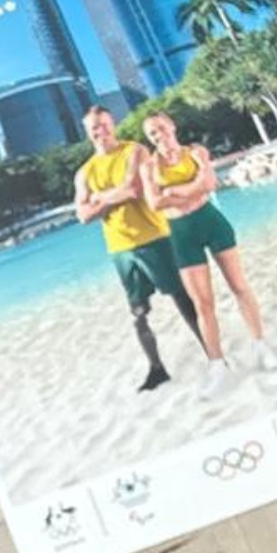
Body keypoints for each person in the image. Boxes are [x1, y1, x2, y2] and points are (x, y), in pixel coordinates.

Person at [72, 104, 205, 393]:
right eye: (95, 127)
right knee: (138, 312)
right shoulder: (84, 173)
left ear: (113, 124)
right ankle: (157, 369)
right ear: (88, 132)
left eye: (105, 124)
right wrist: (109, 197)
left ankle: (212, 351)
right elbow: (82, 215)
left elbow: (133, 190)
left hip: (155, 237)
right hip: (120, 249)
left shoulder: (135, 152)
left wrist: (99, 198)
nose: (101, 130)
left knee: (182, 298)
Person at [142, 111, 277, 390]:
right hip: (181, 234)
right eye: (152, 134)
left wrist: (173, 193)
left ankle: (260, 345)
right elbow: (155, 204)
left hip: (211, 222)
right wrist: (191, 188)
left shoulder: (197, 152)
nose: (159, 136)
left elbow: (210, 184)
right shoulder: (149, 167)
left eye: (162, 129)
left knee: (239, 286)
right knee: (203, 304)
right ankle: (217, 364)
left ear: (173, 126)